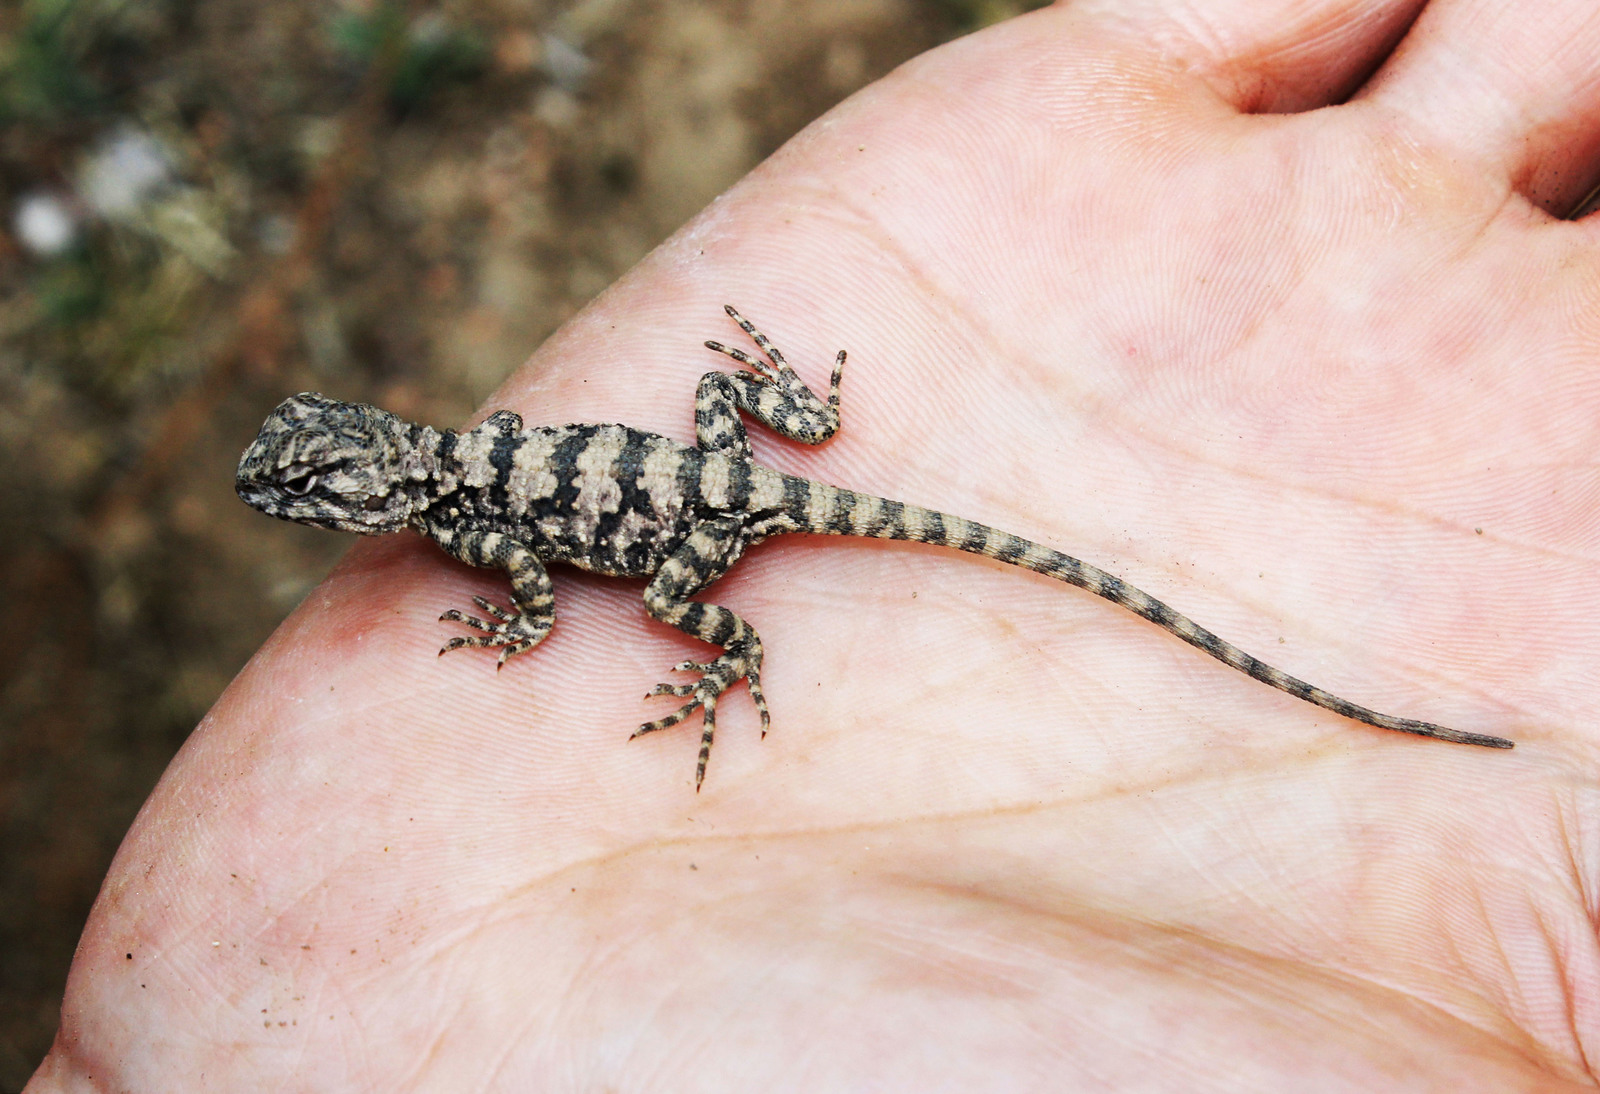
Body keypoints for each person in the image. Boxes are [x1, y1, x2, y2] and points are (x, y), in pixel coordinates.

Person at [30, 0, 1600, 1087]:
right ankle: (770, 461)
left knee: (662, 586)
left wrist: (570, 631)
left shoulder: (480, 516)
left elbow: (524, 591)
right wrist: (769, 425)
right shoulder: (470, 480)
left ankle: (738, 652)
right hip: (721, 477)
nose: (307, 502)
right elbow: (530, 552)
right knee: (721, 425)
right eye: (312, 492)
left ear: (376, 483)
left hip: (709, 533)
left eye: (312, 487)